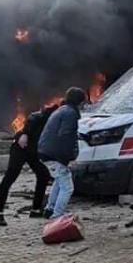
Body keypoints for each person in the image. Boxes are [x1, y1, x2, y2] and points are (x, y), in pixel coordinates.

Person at [0, 103, 59, 226]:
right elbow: (25, 125)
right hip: (20, 149)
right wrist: (23, 134)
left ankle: (36, 209)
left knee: (43, 175)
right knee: (10, 177)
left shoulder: (53, 123)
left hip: (33, 152)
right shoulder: (38, 117)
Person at [38, 87, 85, 218]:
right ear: (79, 102)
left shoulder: (62, 110)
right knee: (67, 187)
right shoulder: (70, 114)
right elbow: (65, 136)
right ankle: (57, 215)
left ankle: (50, 209)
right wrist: (68, 157)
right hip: (54, 155)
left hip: (45, 152)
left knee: (59, 181)